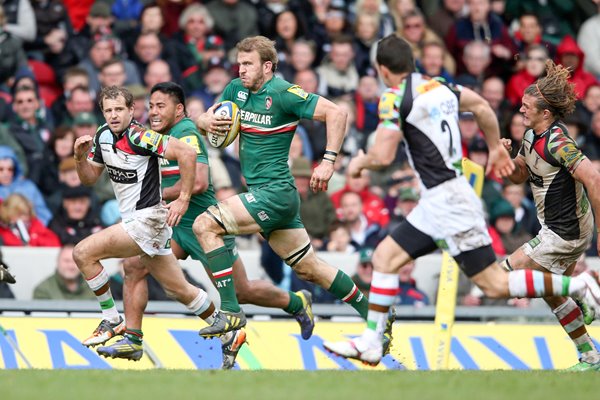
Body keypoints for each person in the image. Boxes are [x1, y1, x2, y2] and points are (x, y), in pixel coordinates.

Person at [322, 34, 600, 366]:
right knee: (384, 257)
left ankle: (580, 285)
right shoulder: (440, 86)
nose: (522, 109)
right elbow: (482, 106)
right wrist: (498, 148)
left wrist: (358, 161)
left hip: (451, 202)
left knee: (496, 283)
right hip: (439, 200)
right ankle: (371, 340)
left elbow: (382, 154)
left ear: (383, 70)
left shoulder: (394, 98)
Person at [97, 82, 314, 369]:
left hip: (202, 224)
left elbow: (198, 182)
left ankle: (297, 303)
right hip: (172, 225)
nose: (153, 112)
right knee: (134, 267)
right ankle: (134, 338)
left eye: (160, 106)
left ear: (179, 109)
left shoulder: (186, 133)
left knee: (242, 291)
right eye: (150, 106)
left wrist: (156, 196)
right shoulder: (153, 136)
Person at [194, 36, 394, 341]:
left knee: (204, 225)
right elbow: (208, 117)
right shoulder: (236, 89)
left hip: (274, 194)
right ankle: (375, 314)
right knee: (309, 269)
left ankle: (231, 312)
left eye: (248, 64)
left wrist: (328, 161)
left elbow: (337, 113)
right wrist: (204, 119)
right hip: (270, 195)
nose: (241, 69)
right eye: (240, 63)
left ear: (268, 66)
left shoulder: (284, 93)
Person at [72, 85, 232, 348]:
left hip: (147, 220)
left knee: (82, 253)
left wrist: (183, 199)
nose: (113, 115)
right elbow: (89, 179)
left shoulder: (140, 136)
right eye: (108, 110)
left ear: (131, 110)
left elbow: (187, 153)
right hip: (138, 221)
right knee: (178, 289)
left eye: (119, 109)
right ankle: (227, 330)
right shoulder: (102, 136)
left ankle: (112, 319)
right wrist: (80, 158)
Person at [498, 60, 600, 371]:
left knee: (502, 274)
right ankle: (591, 356)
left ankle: (586, 287)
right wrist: (504, 156)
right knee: (551, 293)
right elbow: (518, 176)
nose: (521, 111)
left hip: (564, 232)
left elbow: (593, 179)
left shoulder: (558, 143)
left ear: (546, 113)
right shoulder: (530, 137)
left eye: (527, 107)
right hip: (557, 227)